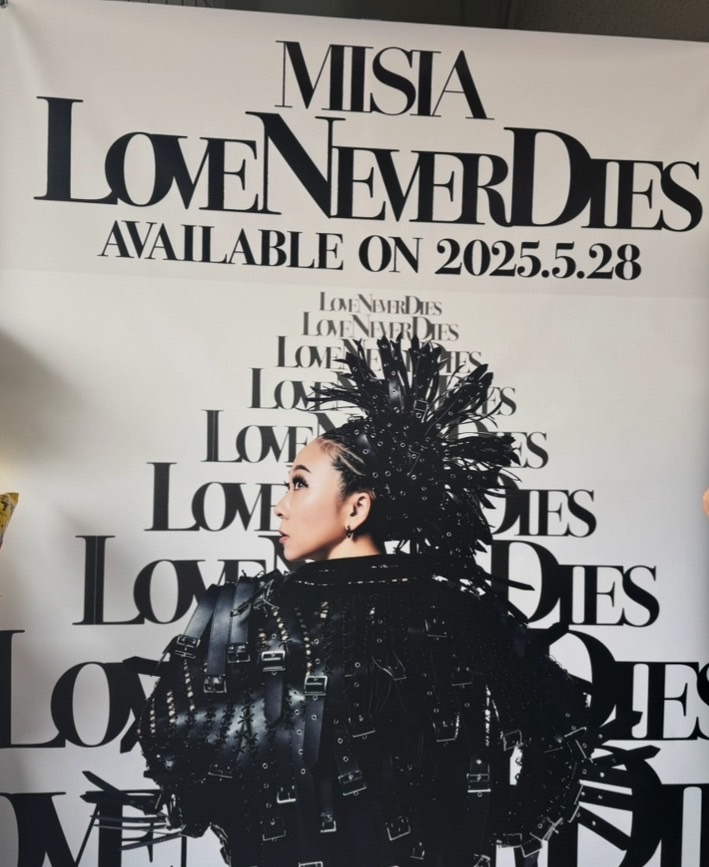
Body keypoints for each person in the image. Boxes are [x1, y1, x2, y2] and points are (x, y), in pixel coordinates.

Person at [136, 337, 598, 867]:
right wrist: (498, 821)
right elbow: (561, 729)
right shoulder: (464, 610)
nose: (280, 506)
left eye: (299, 485)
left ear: (356, 507)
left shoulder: (240, 612)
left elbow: (176, 754)